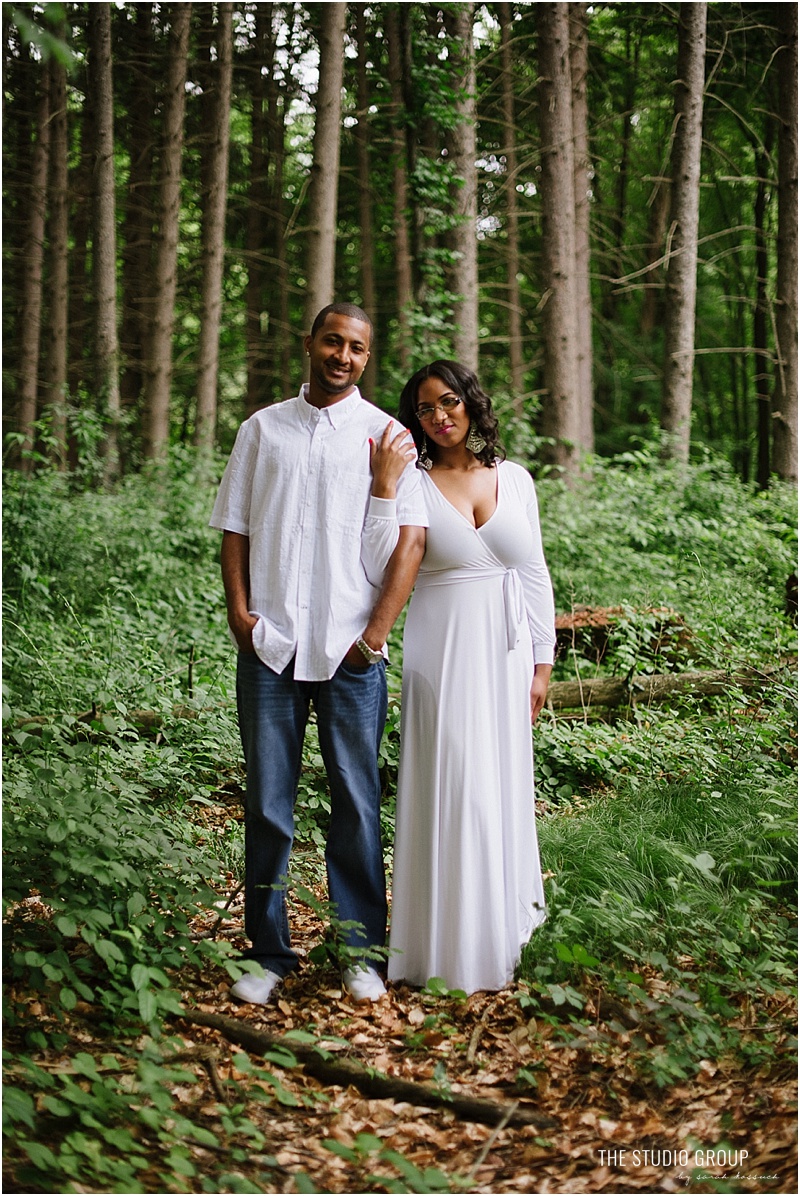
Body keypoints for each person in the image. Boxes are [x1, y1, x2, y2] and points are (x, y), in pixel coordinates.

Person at [209, 303, 427, 1005]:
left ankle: (360, 952)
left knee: (357, 802)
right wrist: (240, 615)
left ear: (368, 358)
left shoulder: (388, 436)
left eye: (357, 348)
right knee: (269, 804)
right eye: (333, 340)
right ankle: (269, 954)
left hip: (350, 652)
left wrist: (373, 638)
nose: (343, 355)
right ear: (310, 342)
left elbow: (407, 547)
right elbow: (235, 527)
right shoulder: (262, 428)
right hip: (270, 645)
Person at [375, 359, 556, 995]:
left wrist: (542, 662)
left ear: (470, 403)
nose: (439, 416)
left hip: (505, 654)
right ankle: (438, 946)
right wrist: (383, 486)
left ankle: (505, 939)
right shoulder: (414, 483)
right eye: (425, 409)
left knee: (498, 785)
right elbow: (384, 560)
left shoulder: (516, 479)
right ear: (414, 420)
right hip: (441, 648)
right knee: (452, 782)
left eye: (448, 401)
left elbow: (533, 572)